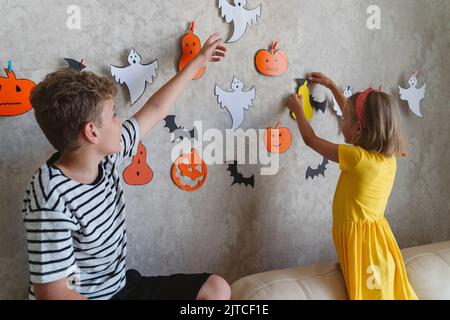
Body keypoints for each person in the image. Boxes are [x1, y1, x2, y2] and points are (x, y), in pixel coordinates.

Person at [22, 33, 230, 300]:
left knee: (217, 289)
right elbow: (53, 292)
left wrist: (197, 61)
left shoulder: (106, 156)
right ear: (92, 133)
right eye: (114, 116)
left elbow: (155, 108)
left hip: (120, 288)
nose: (121, 122)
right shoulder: (50, 196)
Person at [286, 72, 417, 300]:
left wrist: (297, 109)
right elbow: (350, 112)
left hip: (364, 246)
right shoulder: (388, 160)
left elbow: (311, 140)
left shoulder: (356, 157)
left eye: (344, 120)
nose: (341, 121)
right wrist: (330, 86)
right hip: (378, 240)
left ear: (358, 129)